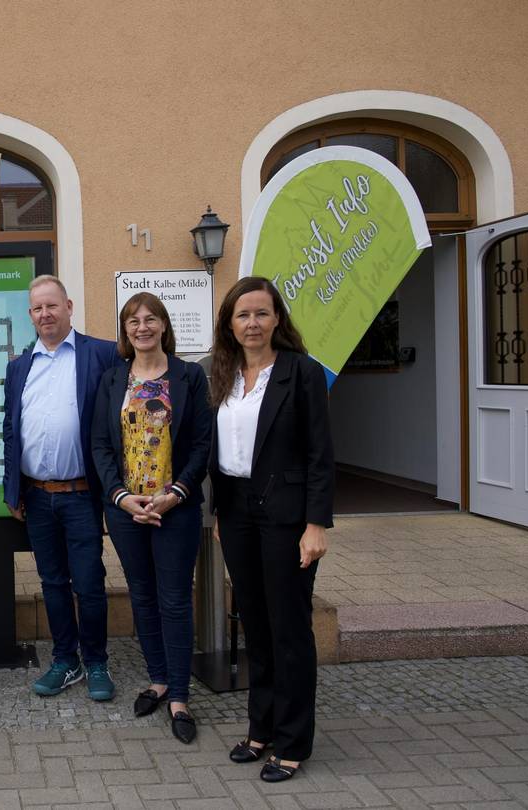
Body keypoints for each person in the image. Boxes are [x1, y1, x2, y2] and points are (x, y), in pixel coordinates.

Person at [208, 276, 334, 782]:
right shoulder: (222, 374)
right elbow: (222, 455)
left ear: (277, 318)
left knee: (288, 629)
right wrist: (219, 512)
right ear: (230, 324)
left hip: (286, 515)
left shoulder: (302, 373)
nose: (252, 323)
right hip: (237, 513)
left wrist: (316, 524)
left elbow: (320, 455)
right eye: (243, 315)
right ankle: (259, 728)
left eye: (261, 313)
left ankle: (291, 742)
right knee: (255, 625)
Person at [91, 292, 211, 744]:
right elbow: (100, 446)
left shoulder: (189, 376)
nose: (142, 327)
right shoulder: (111, 380)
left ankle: (179, 695)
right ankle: (157, 679)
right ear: (125, 331)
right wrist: (121, 497)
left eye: (150, 319)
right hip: (125, 511)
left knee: (175, 599)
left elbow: (202, 443)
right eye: (132, 321)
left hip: (174, 508)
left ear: (164, 325)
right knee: (141, 595)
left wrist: (175, 493)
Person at [3, 276, 122, 700]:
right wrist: (11, 488)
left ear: (69, 306)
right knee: (52, 582)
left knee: (88, 583)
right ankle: (64, 660)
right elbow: (11, 431)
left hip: (82, 495)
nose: (44, 315)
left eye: (51, 306)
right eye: (36, 309)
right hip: (36, 496)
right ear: (30, 314)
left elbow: (118, 425)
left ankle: (96, 662)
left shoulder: (103, 354)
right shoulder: (20, 366)